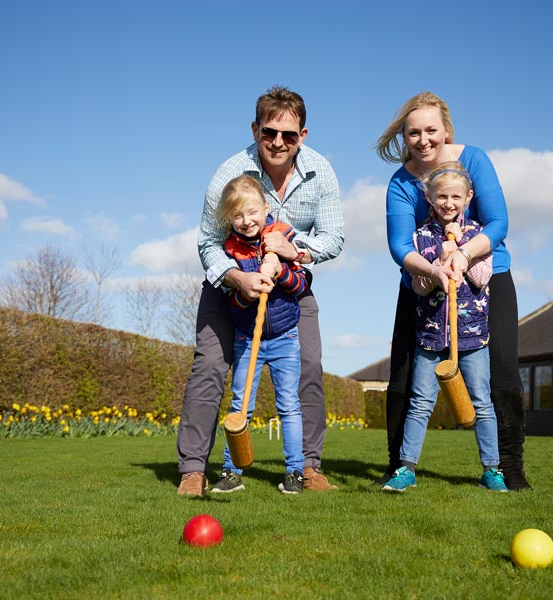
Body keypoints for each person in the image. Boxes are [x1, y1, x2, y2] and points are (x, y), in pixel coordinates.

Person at [176, 86, 344, 496]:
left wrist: (294, 249)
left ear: (302, 136)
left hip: (289, 288)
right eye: (269, 132)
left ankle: (307, 468)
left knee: (309, 364)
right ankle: (194, 470)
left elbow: (334, 238)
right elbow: (207, 242)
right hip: (230, 286)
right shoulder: (229, 173)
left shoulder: (320, 172)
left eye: (289, 135)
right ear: (255, 130)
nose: (278, 143)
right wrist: (238, 277)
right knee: (210, 368)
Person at [375, 91, 531, 491]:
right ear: (404, 137)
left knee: (501, 368)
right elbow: (399, 246)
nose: (423, 139)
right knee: (405, 374)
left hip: (484, 275)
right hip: (424, 278)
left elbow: (498, 223)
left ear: (446, 130)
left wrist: (462, 256)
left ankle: (507, 467)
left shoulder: (474, 160)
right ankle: (400, 466)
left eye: (431, 130)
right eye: (414, 133)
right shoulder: (401, 182)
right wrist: (434, 269)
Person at [382, 163, 508, 493]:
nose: (448, 203)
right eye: (441, 197)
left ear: (468, 197)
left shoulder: (478, 236)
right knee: (420, 401)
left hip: (472, 337)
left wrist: (463, 258)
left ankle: (492, 469)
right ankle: (406, 467)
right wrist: (438, 263)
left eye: (455, 196)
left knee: (482, 402)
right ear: (430, 198)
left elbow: (483, 280)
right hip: (430, 335)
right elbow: (419, 285)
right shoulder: (421, 237)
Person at [207, 175, 308, 494]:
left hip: (285, 338)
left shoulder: (281, 235)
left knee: (289, 405)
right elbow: (230, 298)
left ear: (266, 207)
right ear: (228, 219)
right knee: (240, 406)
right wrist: (245, 292)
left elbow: (303, 284)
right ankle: (231, 470)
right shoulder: (229, 250)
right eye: (237, 215)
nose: (246, 220)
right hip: (247, 339)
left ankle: (295, 472)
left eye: (252, 212)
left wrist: (281, 271)